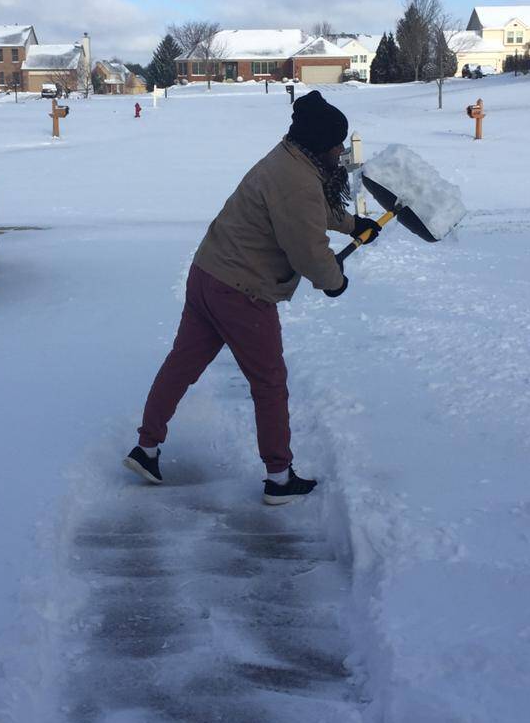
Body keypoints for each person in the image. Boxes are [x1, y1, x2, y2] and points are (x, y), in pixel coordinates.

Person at [124, 90, 381, 505]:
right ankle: (279, 478)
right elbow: (308, 249)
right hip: (242, 290)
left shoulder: (287, 158)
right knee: (269, 383)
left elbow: (310, 210)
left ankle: (146, 448)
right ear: (320, 143)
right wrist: (334, 281)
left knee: (181, 364)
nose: (340, 151)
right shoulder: (298, 179)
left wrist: (353, 225)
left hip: (208, 274)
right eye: (337, 144)